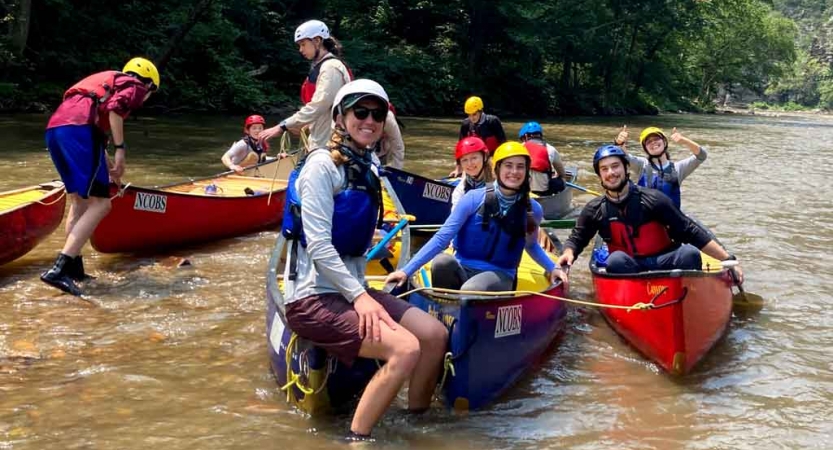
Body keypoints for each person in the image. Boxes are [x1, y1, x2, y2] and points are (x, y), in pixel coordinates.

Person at [281, 79, 447, 441]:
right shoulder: (321, 167)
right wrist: (361, 299)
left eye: (377, 113)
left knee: (434, 335)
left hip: (353, 288)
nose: (369, 120)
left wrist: (368, 242)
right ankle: (357, 439)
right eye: (360, 111)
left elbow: (347, 227)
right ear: (340, 118)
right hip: (312, 298)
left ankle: (415, 420)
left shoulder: (368, 165)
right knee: (406, 349)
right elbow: (320, 246)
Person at [41, 57, 160, 296]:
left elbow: (94, 134)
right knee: (102, 204)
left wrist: (108, 167)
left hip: (56, 129)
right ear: (149, 84)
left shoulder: (106, 82)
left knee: (79, 201)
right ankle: (59, 269)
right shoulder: (136, 85)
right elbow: (115, 111)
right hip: (80, 131)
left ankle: (74, 270)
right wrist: (121, 153)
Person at [387, 142, 563, 293]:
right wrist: (406, 271)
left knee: (471, 289)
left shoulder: (533, 210)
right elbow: (442, 238)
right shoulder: (472, 198)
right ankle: (448, 315)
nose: (514, 172)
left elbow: (531, 246)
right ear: (497, 169)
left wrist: (553, 268)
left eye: (520, 166)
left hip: (501, 274)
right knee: (441, 262)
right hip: (463, 268)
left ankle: (465, 312)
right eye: (508, 165)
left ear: (527, 171)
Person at [553, 145, 743, 284]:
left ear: (626, 169)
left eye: (615, 166)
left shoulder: (654, 200)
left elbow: (689, 230)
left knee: (689, 254)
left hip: (664, 262)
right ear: (600, 176)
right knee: (615, 260)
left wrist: (727, 259)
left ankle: (686, 297)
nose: (611, 172)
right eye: (604, 169)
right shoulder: (594, 209)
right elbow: (577, 239)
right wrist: (567, 255)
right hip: (629, 268)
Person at [259, 19, 352, 150]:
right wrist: (305, 124)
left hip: (329, 144)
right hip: (322, 140)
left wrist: (283, 126)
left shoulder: (331, 67)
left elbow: (319, 105)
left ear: (317, 41)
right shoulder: (323, 66)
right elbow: (325, 109)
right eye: (299, 45)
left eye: (303, 44)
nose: (300, 50)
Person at [614, 125, 707, 208]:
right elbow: (622, 156)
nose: (653, 142)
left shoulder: (678, 168)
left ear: (664, 142)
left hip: (670, 222)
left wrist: (685, 141)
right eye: (649, 141)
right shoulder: (642, 165)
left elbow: (701, 156)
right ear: (645, 148)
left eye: (656, 139)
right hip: (646, 222)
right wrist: (620, 143)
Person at [450, 96, 506, 177]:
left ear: (480, 111)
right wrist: (458, 168)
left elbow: (503, 143)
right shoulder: (466, 124)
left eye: (474, 114)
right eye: (469, 115)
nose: (471, 118)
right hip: (476, 158)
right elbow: (460, 148)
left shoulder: (493, 121)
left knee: (490, 169)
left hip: (492, 157)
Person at [518, 121, 567, 196]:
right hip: (543, 191)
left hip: (521, 189)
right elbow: (562, 173)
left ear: (526, 136)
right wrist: (559, 177)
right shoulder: (551, 149)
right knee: (561, 181)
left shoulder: (518, 148)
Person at [450, 136, 494, 209]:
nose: (469, 164)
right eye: (464, 160)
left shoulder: (499, 183)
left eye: (474, 158)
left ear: (485, 157)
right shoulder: (461, 189)